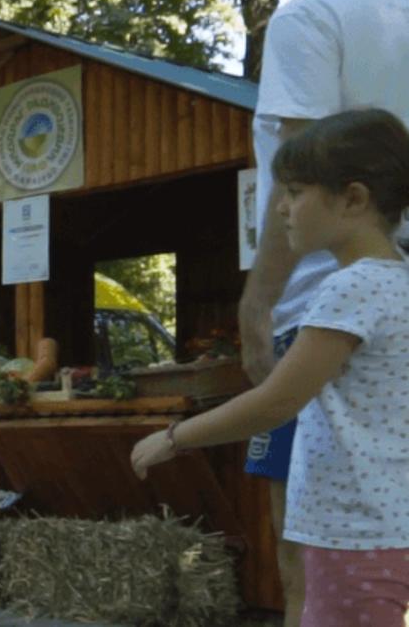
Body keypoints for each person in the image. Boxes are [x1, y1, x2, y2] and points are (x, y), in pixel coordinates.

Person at [134, 109, 409, 626]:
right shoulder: (399, 279)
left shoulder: (351, 288)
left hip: (353, 530)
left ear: (353, 199)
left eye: (295, 192)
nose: (280, 210)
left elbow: (278, 400)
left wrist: (175, 438)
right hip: (390, 525)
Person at [237, 0, 409, 623]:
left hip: (321, 305)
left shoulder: (311, 18)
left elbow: (299, 164)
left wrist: (259, 301)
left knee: (308, 550)